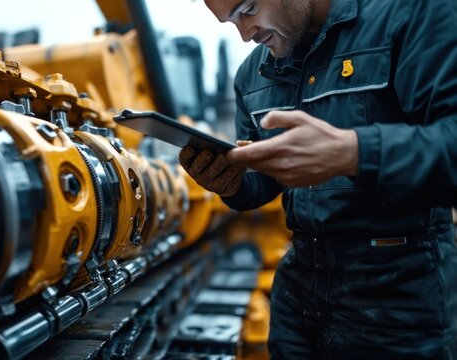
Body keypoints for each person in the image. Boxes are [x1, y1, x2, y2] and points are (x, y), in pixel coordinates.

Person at [179, 0, 457, 358]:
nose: (245, 33)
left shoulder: (411, 14)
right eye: (229, 21)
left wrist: (353, 152)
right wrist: (232, 185)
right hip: (298, 299)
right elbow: (268, 180)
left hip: (400, 298)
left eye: (247, 7)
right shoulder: (251, 77)